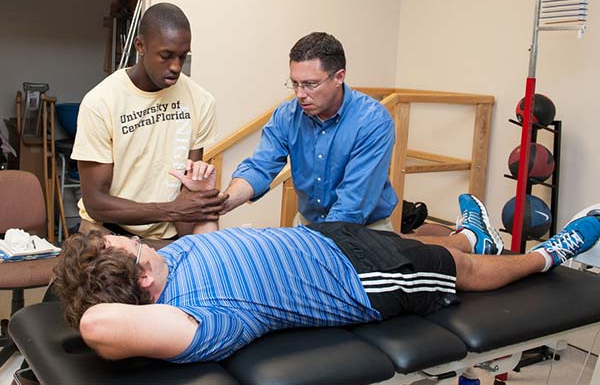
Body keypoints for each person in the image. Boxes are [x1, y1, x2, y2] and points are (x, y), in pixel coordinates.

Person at [52, 166, 600, 363]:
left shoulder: (168, 261)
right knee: (461, 273)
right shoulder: (198, 320)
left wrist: (199, 197)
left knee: (432, 246)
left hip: (325, 239)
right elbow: (97, 325)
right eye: (130, 247)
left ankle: (469, 235)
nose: (136, 240)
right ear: (143, 280)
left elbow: (209, 244)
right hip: (360, 279)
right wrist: (91, 299)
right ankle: (545, 255)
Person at [71, 2, 227, 248]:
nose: (176, 66)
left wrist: (198, 205)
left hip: (166, 238)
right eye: (166, 56)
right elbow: (95, 203)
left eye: (182, 56)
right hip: (105, 233)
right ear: (140, 46)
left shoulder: (201, 101)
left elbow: (188, 194)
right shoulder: (101, 102)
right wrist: (172, 210)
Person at [221, 32, 398, 231]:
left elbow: (352, 204)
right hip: (308, 225)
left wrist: (314, 245)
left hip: (365, 229)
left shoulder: (372, 121)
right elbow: (260, 167)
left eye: (310, 85)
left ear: (339, 77)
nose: (300, 94)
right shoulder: (286, 115)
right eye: (295, 83)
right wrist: (224, 202)